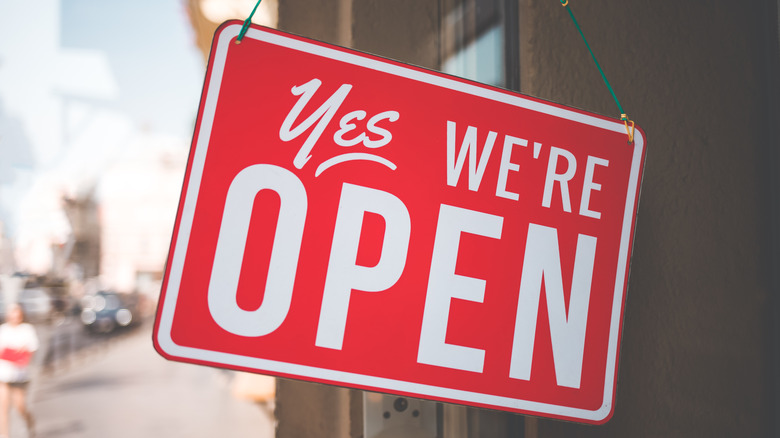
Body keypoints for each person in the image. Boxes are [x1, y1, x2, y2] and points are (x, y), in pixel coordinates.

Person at [0, 304, 38, 438]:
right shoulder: (3, 330)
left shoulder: (27, 329)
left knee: (20, 406)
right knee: (3, 408)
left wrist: (22, 352)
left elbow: (31, 349)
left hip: (19, 376)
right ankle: (4, 435)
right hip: (4, 374)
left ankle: (29, 422)